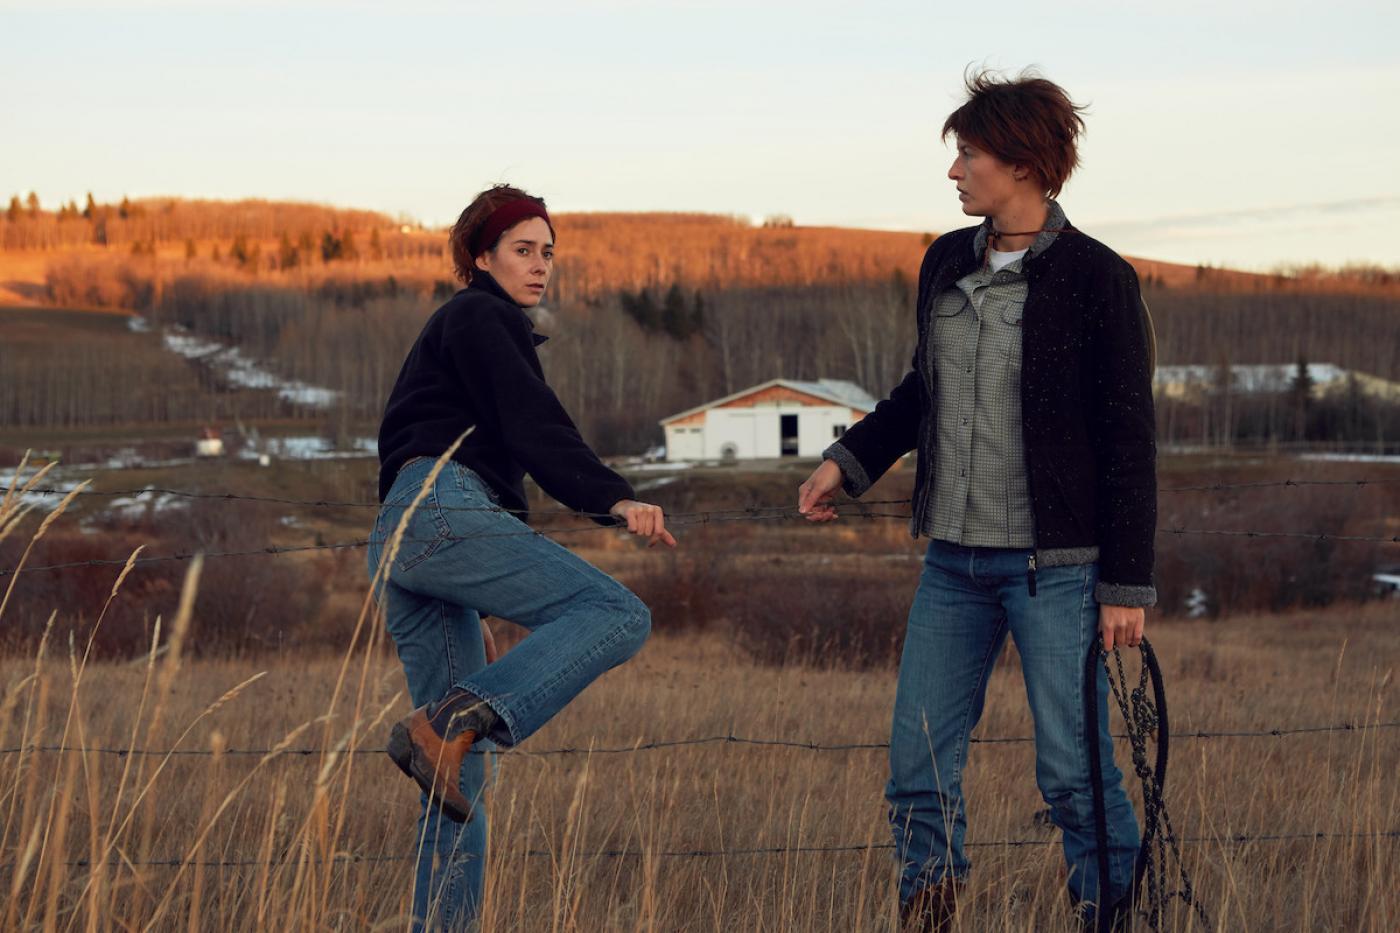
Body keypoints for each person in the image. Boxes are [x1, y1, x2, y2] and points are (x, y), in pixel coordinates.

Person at [798, 70, 1155, 932]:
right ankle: (929, 914)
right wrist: (850, 462)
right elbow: (925, 390)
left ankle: (1110, 916)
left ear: (1025, 165)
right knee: (917, 766)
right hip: (951, 564)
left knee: (1072, 773)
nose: (954, 171)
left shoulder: (1096, 278)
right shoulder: (944, 264)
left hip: (1057, 572)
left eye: (969, 154)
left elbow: (1129, 441)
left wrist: (1127, 587)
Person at [369, 184, 676, 930]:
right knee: (615, 611)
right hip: (443, 512)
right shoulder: (481, 314)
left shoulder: (462, 328)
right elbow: (537, 427)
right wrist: (613, 497)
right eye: (522, 250)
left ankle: (442, 911)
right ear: (481, 255)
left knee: (457, 768)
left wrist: (472, 583)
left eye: (548, 253)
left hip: (409, 536)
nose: (540, 266)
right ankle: (450, 718)